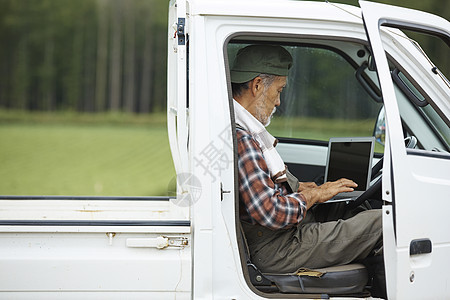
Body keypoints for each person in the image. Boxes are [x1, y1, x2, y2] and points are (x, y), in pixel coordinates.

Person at [231, 45, 384, 291]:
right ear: (257, 85)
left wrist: (300, 188)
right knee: (383, 222)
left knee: (350, 208)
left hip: (280, 236)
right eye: (279, 90)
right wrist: (313, 195)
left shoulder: (244, 129)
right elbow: (270, 212)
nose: (279, 101)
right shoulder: (244, 140)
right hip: (277, 247)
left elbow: (258, 188)